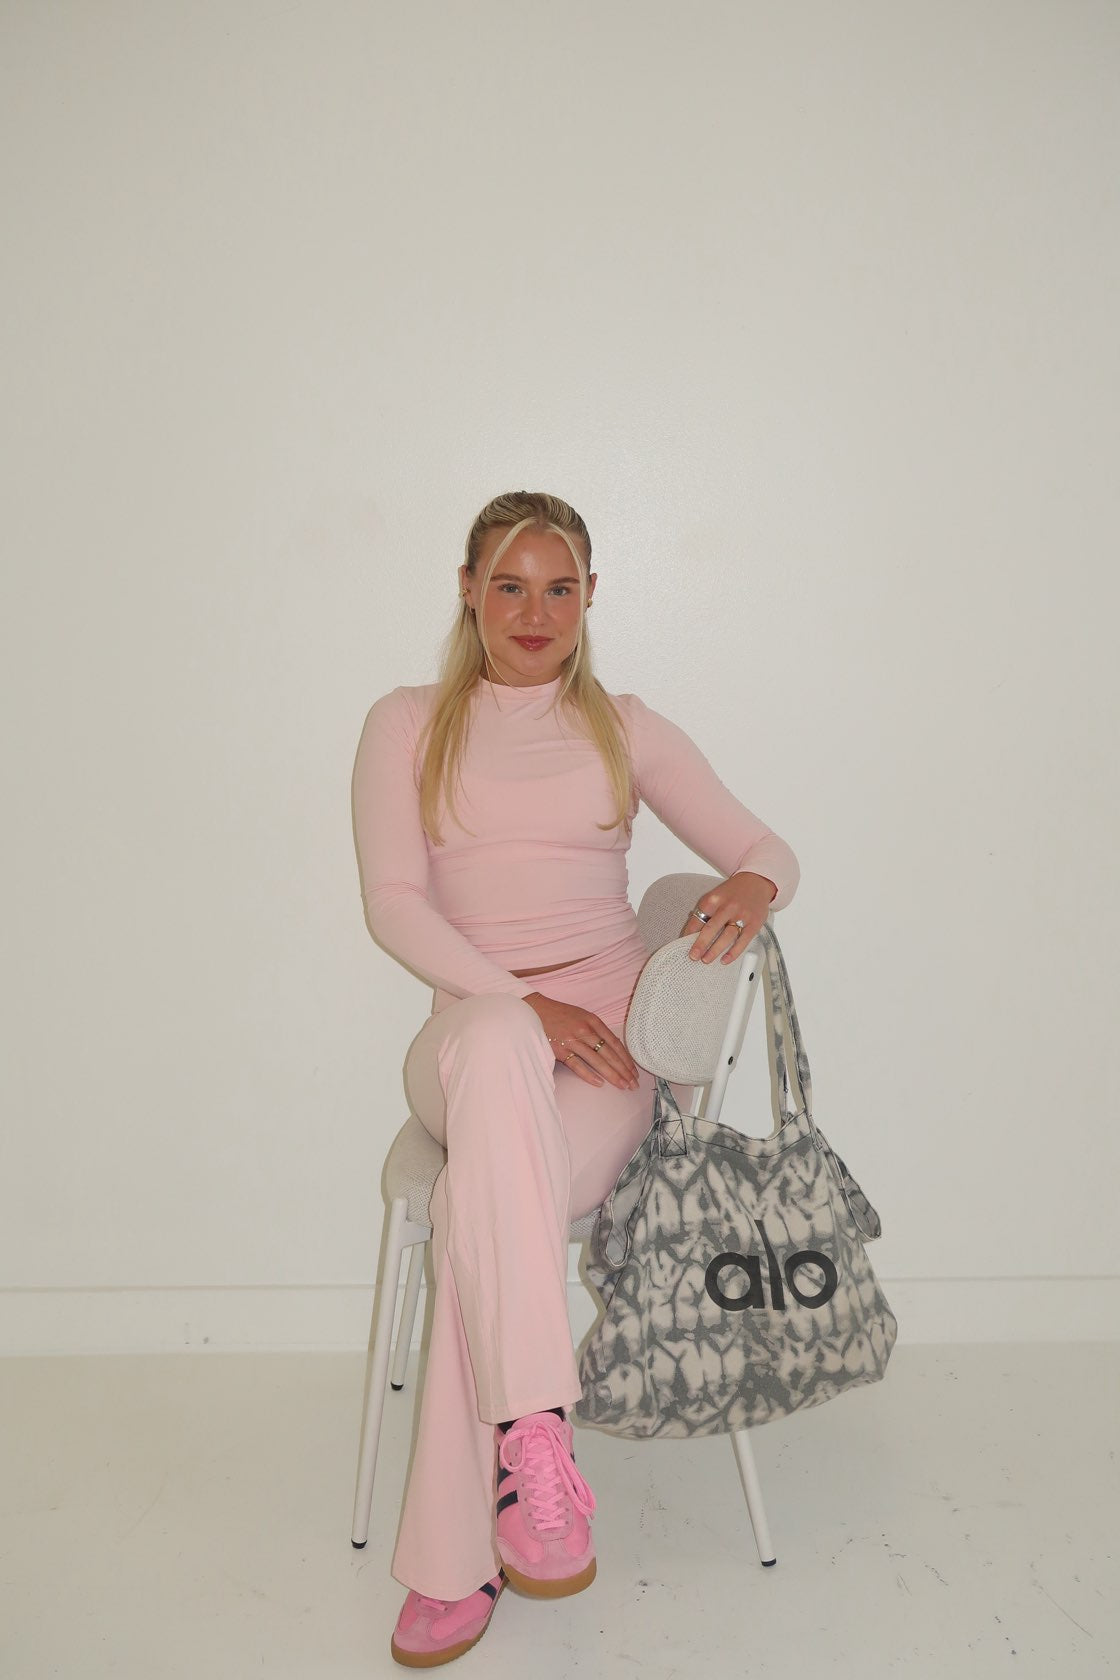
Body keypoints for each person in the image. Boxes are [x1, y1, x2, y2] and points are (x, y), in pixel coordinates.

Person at [351, 490, 799, 1667]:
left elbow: (767, 849)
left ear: (591, 597)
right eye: (510, 584)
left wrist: (752, 887)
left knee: (480, 1216)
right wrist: (519, 1001)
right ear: (468, 589)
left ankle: (455, 1562)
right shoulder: (405, 721)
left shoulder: (626, 725)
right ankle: (537, 1429)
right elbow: (395, 904)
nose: (534, 611)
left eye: (560, 587)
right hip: (471, 1030)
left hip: (604, 1046)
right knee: (499, 1050)